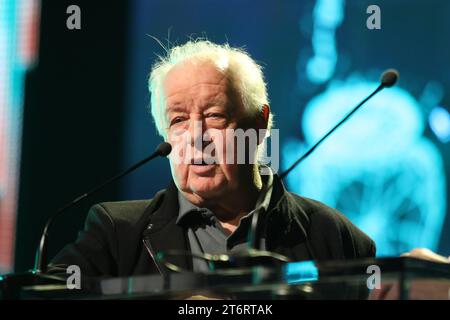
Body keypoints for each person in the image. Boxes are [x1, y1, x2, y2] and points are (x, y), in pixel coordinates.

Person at [49, 40, 376, 278]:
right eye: (178, 120)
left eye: (215, 115)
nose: (196, 136)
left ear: (260, 123)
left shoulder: (331, 235)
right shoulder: (117, 234)